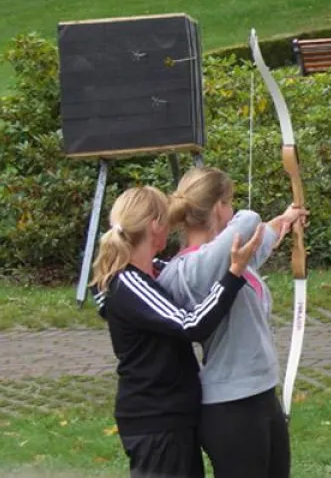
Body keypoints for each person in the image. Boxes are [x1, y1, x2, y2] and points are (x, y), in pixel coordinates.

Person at [93, 185, 264, 478]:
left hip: (174, 418)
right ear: (154, 226)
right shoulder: (127, 283)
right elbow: (191, 325)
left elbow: (203, 266)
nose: (173, 227)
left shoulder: (155, 271)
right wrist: (233, 275)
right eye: (168, 220)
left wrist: (282, 224)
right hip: (155, 422)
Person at [156, 167, 308, 478]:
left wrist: (286, 219)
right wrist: (254, 220)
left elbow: (260, 237)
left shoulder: (229, 257)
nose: (235, 209)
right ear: (217, 208)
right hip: (231, 408)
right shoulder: (188, 269)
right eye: (229, 201)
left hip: (262, 395)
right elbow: (249, 222)